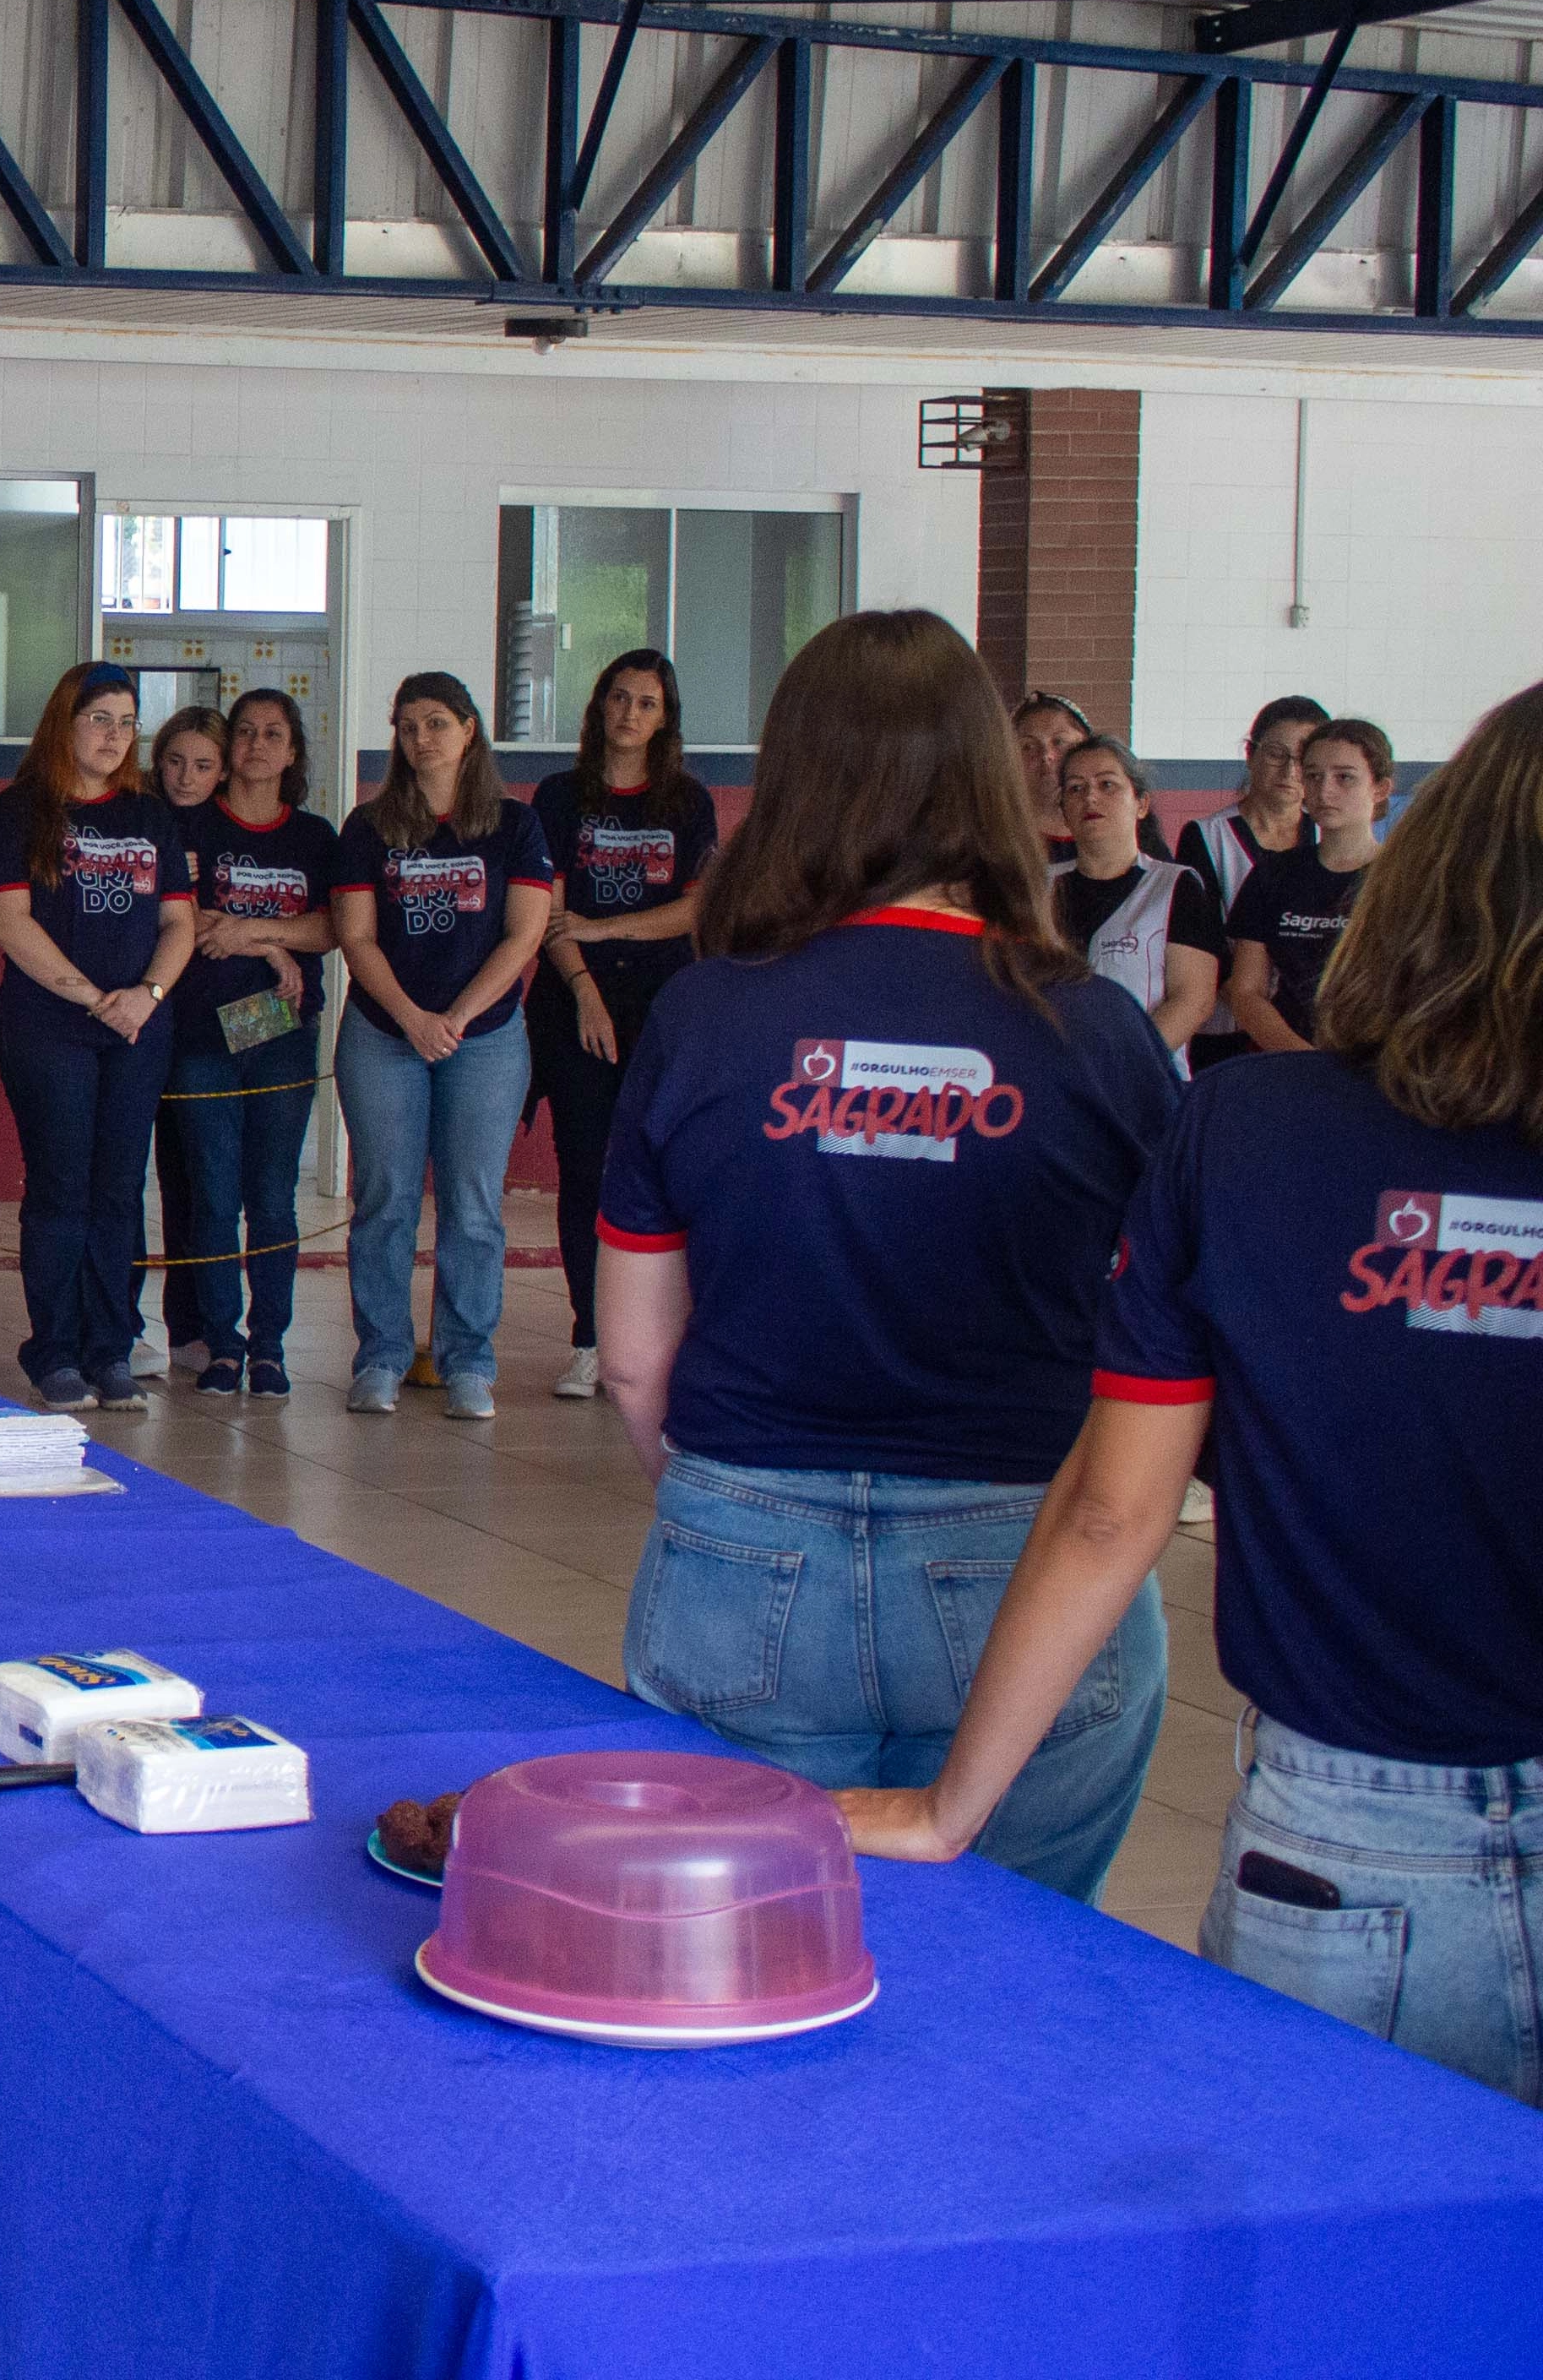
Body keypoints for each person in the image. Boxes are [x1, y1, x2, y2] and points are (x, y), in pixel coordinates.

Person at [838, 682, 1543, 2100]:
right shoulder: (1241, 1123)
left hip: (1347, 1845)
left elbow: (1112, 1509)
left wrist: (949, 1805)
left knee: (1355, 2309)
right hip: (1350, 1826)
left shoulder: (1251, 1133)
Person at [589, 609, 1179, 1901]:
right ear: (987, 778)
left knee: (744, 1968)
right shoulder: (1099, 1033)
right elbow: (1165, 1372)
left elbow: (633, 1365)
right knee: (1006, 1997)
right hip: (1029, 1562)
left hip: (744, 1542)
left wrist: (727, 1511)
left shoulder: (706, 1014)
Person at [329, 672, 551, 1421]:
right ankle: (382, 1357)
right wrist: (414, 1018)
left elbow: (524, 934)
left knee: (474, 1205)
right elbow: (356, 938)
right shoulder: (367, 827)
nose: (420, 739)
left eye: (435, 724)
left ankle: (467, 1363)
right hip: (384, 1033)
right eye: (407, 726)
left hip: (484, 1037)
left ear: (469, 731)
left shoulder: (515, 827)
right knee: (385, 1200)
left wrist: (455, 1015)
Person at [0, 662, 196, 1407]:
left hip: (137, 1029)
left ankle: (111, 1350)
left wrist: (147, 995)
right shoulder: (18, 811)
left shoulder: (149, 816)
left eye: (128, 722)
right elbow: (10, 920)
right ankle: (56, 1352)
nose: (115, 736)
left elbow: (178, 921)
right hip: (50, 1031)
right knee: (62, 1188)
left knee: (119, 1193)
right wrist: (94, 997)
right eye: (101, 718)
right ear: (66, 721)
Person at [525, 649, 719, 1404]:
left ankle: (664, 1336)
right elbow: (548, 910)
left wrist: (610, 932)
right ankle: (588, 1337)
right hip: (573, 1004)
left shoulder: (687, 802)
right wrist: (585, 987)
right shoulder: (560, 795)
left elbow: (696, 907)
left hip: (663, 1005)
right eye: (618, 698)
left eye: (646, 702)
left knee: (667, 1168)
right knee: (584, 1171)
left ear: (664, 718)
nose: (629, 713)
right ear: (598, 707)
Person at [171, 689, 339, 1397]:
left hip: (276, 1030)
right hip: (200, 1031)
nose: (258, 745)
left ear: (293, 750)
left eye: (274, 733)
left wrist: (253, 933)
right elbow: (186, 918)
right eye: (245, 732)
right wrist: (265, 939)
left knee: (270, 1196)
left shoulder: (314, 838)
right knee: (211, 1197)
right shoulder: (192, 825)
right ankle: (222, 1342)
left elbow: (330, 928)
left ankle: (270, 1345)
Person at [145, 705, 232, 1378]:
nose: (186, 777)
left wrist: (262, 940)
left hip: (217, 1025)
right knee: (122, 1181)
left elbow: (265, 918)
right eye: (175, 761)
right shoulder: (135, 816)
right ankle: (119, 1326)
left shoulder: (235, 828)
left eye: (203, 765)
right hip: (140, 1014)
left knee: (200, 1183)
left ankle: (199, 1327)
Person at [1173, 693, 1325, 1072]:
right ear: (1250, 753)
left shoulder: (1329, 836)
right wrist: (1260, 1015)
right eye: (1277, 754)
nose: (1290, 771)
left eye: (1304, 759)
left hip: (1312, 1029)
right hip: (1227, 1033)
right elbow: (1203, 946)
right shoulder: (1207, 836)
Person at [1226, 718, 1394, 1054]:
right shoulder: (1273, 875)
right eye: (1314, 776)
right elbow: (1244, 991)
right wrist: (1304, 1060)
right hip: (1289, 1059)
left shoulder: (1407, 878)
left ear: (1380, 788)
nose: (1324, 791)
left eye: (1344, 777)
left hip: (1382, 1066)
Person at [1051, 736, 1220, 1069]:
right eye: (1076, 788)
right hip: (1055, 1078)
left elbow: (1193, 1000)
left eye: (1107, 785)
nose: (1091, 797)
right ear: (1064, 812)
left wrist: (1121, 1067)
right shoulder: (1036, 887)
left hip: (1144, 1080)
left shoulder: (1175, 886)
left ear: (1141, 803)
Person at [1010, 689, 1092, 861]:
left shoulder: (1119, 826)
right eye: (1028, 746)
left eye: (1059, 742)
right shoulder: (992, 834)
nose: (1046, 755)